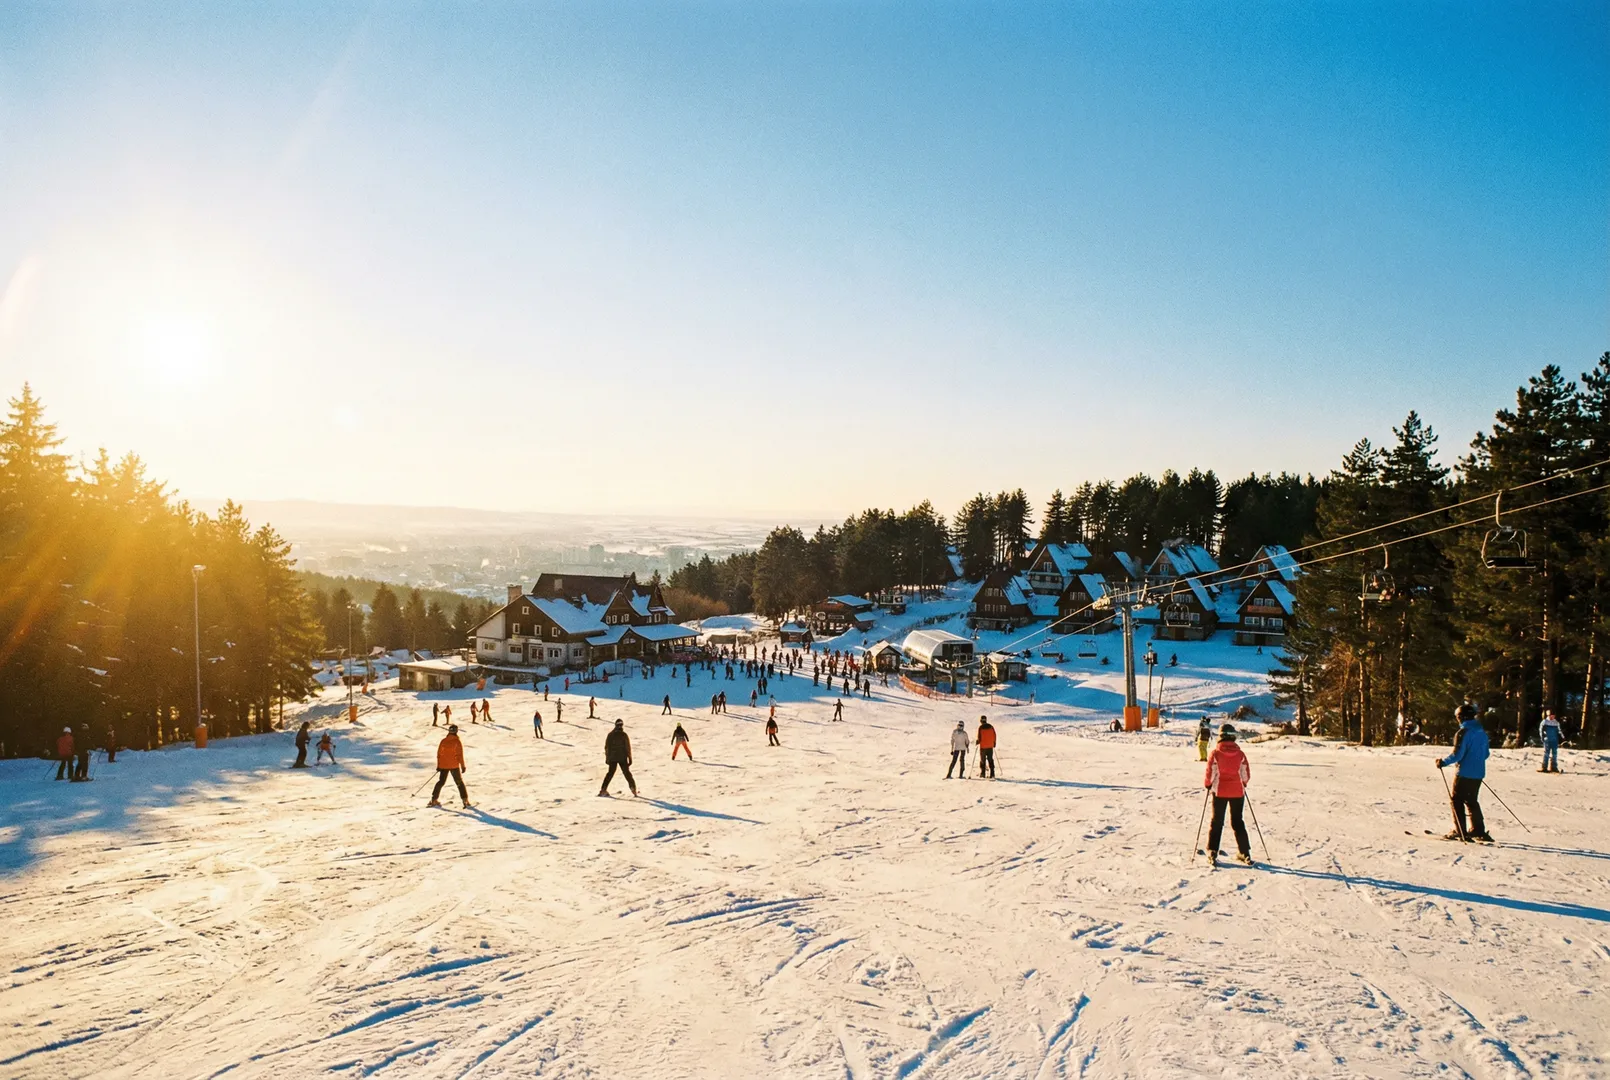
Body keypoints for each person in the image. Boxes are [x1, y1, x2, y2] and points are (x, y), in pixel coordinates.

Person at [1437, 702, 1491, 841]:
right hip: (1478, 773)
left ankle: (1459, 830)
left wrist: (1443, 762)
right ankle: (1478, 830)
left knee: (1456, 800)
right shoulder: (1482, 732)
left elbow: (1457, 755)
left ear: (1461, 717)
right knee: (1472, 801)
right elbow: (1485, 754)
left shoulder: (1463, 732)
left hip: (1464, 773)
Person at [1204, 723, 1252, 865]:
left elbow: (1210, 772)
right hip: (1237, 792)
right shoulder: (1240, 754)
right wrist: (1243, 783)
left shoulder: (1216, 753)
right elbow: (1245, 773)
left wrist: (1208, 784)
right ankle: (1245, 852)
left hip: (1220, 792)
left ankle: (1212, 851)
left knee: (1217, 821)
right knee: (1238, 821)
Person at [429, 724, 471, 808]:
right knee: (459, 783)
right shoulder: (457, 742)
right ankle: (465, 800)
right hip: (454, 765)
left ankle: (434, 799)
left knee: (441, 782)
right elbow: (460, 755)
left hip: (444, 765)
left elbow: (439, 754)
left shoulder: (443, 741)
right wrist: (462, 766)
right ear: (456, 731)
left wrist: (439, 765)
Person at [600, 719, 637, 797]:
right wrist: (630, 758)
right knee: (627, 773)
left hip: (613, 757)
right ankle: (633, 788)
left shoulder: (611, 735)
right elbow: (627, 747)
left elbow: (607, 747)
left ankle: (603, 789)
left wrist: (607, 758)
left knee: (610, 774)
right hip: (622, 757)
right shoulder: (623, 735)